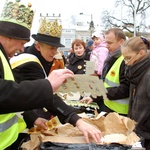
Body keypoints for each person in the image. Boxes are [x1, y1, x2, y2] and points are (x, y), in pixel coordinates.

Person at [0, 1, 101, 149]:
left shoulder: (9, 55)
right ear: (9, 36)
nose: (22, 49)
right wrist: (76, 120)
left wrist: (33, 118)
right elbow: (7, 93)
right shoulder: (29, 62)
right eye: (21, 43)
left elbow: (14, 95)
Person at [10, 18, 66, 130]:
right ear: (38, 46)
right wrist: (74, 118)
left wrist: (34, 118)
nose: (55, 52)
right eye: (51, 48)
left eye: (56, 49)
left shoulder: (42, 57)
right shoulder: (30, 62)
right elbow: (46, 94)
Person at [81, 28, 130, 115]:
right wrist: (94, 96)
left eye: (109, 43)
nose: (106, 45)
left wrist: (101, 92)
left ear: (121, 42)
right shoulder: (112, 57)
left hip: (121, 113)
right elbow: (106, 82)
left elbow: (125, 89)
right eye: (106, 42)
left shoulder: (125, 60)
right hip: (110, 108)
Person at [121, 36, 150, 149]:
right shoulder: (135, 72)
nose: (127, 63)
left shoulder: (146, 75)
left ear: (141, 53)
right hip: (139, 134)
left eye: (128, 58)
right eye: (124, 59)